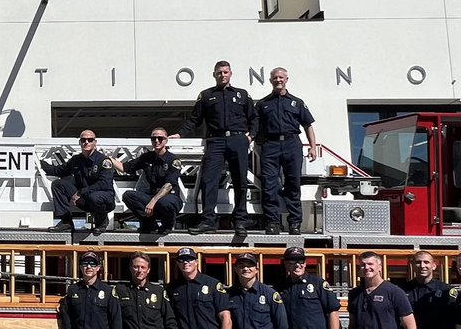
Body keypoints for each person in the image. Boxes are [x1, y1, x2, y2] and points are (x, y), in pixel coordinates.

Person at [171, 61, 256, 237]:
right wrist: (179, 135)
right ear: (214, 75)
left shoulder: (242, 94)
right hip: (215, 140)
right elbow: (194, 120)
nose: (222, 75)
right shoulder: (206, 95)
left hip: (238, 139)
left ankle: (240, 221)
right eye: (219, 73)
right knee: (209, 180)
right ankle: (208, 221)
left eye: (225, 72)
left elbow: (254, 118)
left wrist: (250, 136)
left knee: (240, 181)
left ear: (231, 73)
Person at [256, 67, 318, 235]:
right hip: (270, 145)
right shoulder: (262, 104)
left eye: (281, 77)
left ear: (286, 79)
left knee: (293, 184)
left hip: (292, 144)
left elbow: (308, 126)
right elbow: (255, 127)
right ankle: (272, 223)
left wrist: (312, 147)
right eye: (275, 77)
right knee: (269, 186)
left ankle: (295, 223)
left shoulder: (296, 102)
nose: (278, 80)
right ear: (270, 80)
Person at [41, 129, 116, 235]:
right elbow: (59, 170)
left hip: (103, 199)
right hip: (85, 198)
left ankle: (101, 222)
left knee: (94, 197)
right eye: (83, 140)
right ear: (80, 142)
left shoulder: (104, 161)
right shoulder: (76, 160)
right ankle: (66, 222)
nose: (86, 142)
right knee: (58, 184)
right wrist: (41, 164)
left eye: (90, 140)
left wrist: (81, 192)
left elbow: (104, 184)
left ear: (95, 142)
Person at [109, 127, 183, 233]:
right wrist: (107, 158)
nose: (156, 141)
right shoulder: (147, 157)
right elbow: (125, 168)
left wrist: (153, 201)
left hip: (169, 198)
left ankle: (167, 225)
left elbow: (169, 185)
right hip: (151, 196)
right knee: (128, 196)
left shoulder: (173, 160)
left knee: (165, 202)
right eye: (154, 138)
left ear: (166, 140)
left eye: (160, 138)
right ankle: (149, 224)